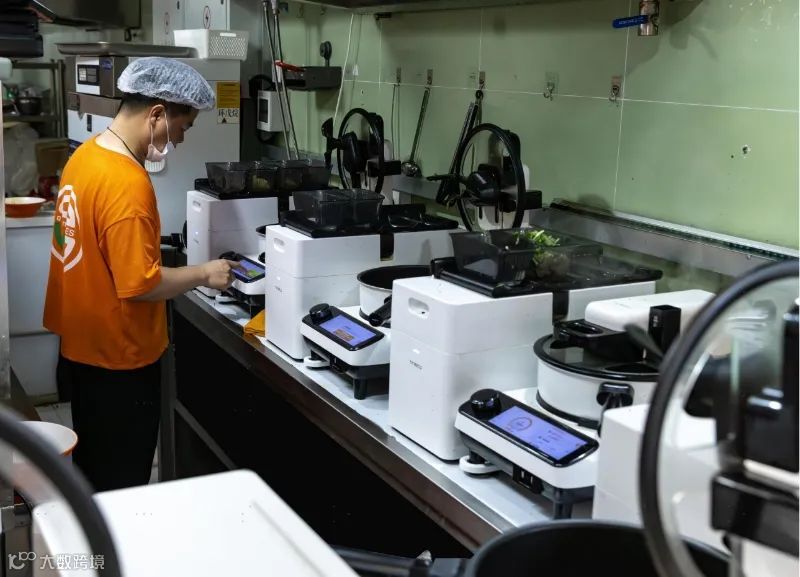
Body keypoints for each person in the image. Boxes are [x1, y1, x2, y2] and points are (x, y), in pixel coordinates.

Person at [43, 57, 240, 491]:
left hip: (80, 349)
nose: (181, 140)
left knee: (93, 473)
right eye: (183, 127)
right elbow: (141, 284)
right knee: (121, 483)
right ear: (156, 114)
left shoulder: (86, 156)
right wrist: (204, 273)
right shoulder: (127, 183)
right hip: (120, 360)